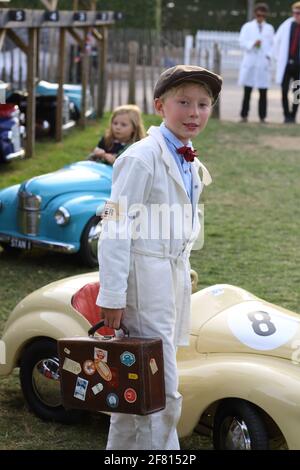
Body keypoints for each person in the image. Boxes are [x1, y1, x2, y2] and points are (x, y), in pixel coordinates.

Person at [96, 65, 222, 450]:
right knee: (160, 384)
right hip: (143, 281)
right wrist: (113, 295)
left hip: (171, 276)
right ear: (159, 105)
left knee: (133, 380)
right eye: (183, 103)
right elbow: (113, 225)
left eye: (203, 104)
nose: (194, 113)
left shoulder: (187, 159)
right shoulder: (141, 157)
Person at [238, 3, 274, 123]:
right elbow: (242, 42)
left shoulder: (269, 28)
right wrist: (252, 43)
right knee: (247, 91)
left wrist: (268, 56)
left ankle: (262, 117)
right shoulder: (247, 27)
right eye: (258, 15)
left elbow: (273, 46)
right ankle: (244, 116)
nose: (260, 18)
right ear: (255, 14)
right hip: (251, 62)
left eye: (263, 15)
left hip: (263, 63)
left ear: (265, 16)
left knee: (263, 92)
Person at [274, 1, 300, 123]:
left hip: (298, 66)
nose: (297, 15)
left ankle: (293, 115)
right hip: (287, 65)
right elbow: (277, 41)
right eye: (295, 13)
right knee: (284, 90)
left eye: (299, 13)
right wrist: (277, 57)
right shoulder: (287, 25)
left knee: (297, 92)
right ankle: (286, 115)